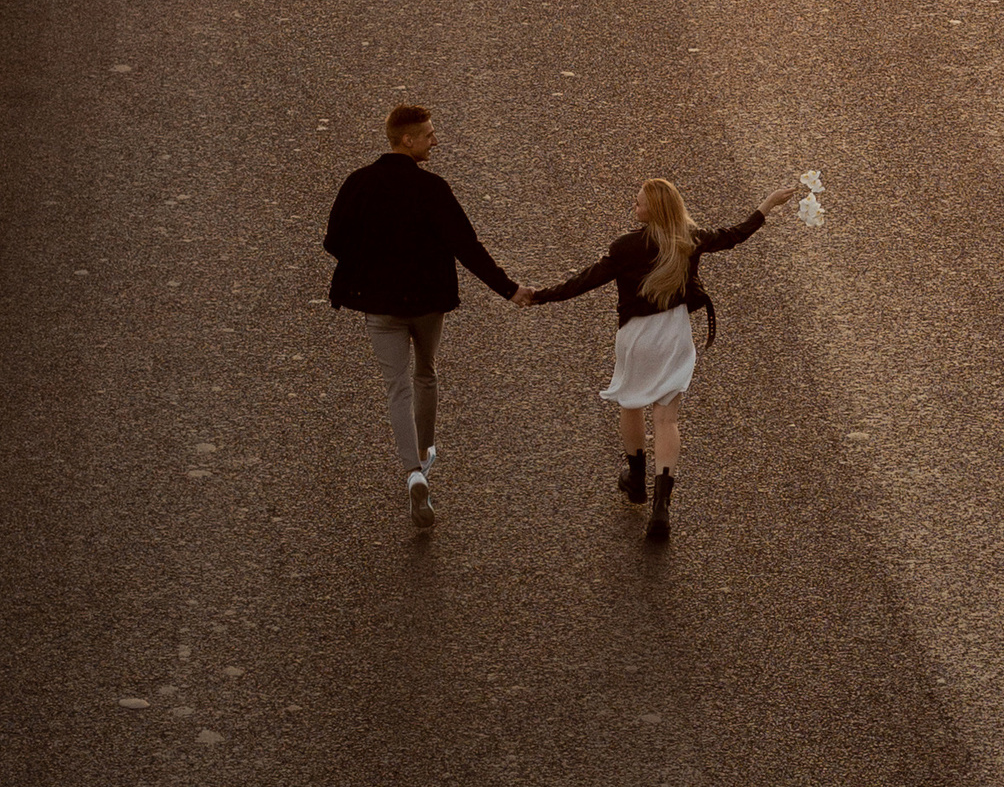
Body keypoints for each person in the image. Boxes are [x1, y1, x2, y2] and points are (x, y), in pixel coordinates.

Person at [520, 171, 801, 544]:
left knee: (630, 403)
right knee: (667, 418)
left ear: (652, 211)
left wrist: (538, 296)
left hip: (635, 337)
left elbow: (584, 281)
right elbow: (735, 235)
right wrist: (767, 204)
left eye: (638, 201)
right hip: (674, 334)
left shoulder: (624, 247)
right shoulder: (689, 240)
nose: (633, 205)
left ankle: (635, 480)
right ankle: (661, 508)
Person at [322, 102, 521, 531]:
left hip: (380, 307)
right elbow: (467, 247)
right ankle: (427, 454)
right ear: (407, 140)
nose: (436, 140)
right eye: (429, 134)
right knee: (426, 374)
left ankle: (413, 471)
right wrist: (510, 290)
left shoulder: (359, 183)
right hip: (428, 304)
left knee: (397, 389)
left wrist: (370, 265)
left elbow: (334, 240)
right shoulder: (433, 189)